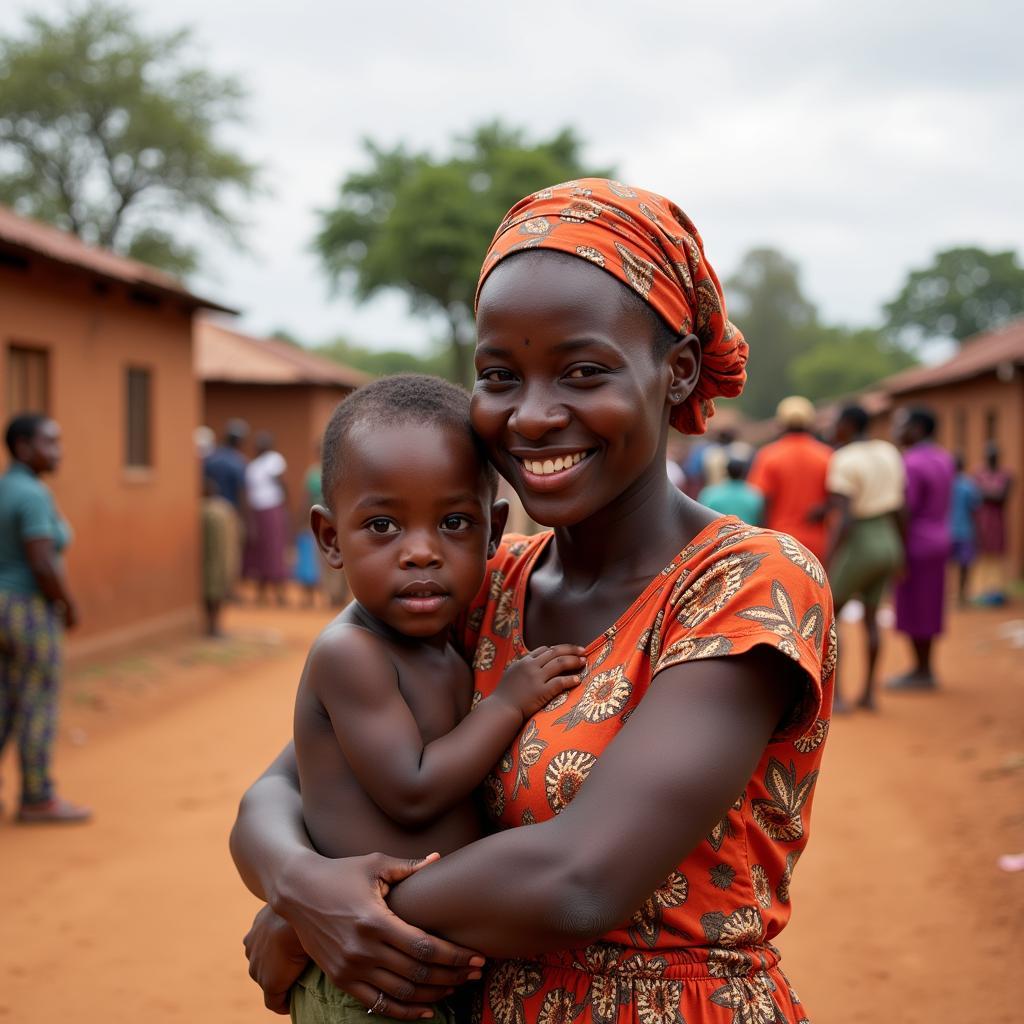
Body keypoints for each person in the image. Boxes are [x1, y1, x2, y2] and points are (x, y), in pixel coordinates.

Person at [230, 178, 835, 1024]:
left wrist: (338, 921)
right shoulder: (482, 581)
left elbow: (581, 879)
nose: (533, 415)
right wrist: (299, 888)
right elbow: (285, 783)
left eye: (583, 371)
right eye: (499, 376)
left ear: (677, 372)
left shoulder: (745, 585)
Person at [291, 374, 585, 1023]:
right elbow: (413, 789)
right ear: (331, 538)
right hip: (367, 976)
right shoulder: (351, 654)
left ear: (493, 531)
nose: (420, 552)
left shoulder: (442, 642)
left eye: (453, 522)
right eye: (382, 525)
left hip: (429, 969)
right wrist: (509, 704)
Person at [0, 413, 90, 823]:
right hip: (27, 610)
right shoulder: (32, 496)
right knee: (36, 702)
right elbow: (41, 561)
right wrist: (67, 606)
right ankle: (37, 796)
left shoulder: (6, 489)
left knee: (4, 701)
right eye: (49, 443)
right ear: (22, 447)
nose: (58, 452)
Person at [826, 404, 904, 711]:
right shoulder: (888, 451)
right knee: (872, 618)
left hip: (862, 540)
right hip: (889, 538)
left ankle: (840, 697)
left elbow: (844, 518)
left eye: (836, 422)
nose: (833, 428)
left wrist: (828, 558)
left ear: (847, 424)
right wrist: (903, 552)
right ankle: (869, 694)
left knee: (832, 616)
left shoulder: (843, 459)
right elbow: (901, 506)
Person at [887, 408, 955, 691]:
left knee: (915, 606)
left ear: (917, 428)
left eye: (902, 424)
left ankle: (922, 670)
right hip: (940, 537)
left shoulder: (910, 463)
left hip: (915, 542)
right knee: (931, 604)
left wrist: (898, 549)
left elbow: (906, 509)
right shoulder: (944, 458)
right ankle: (925, 667)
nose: (897, 430)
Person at [746, 395, 832, 560]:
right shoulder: (826, 455)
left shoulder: (768, 455)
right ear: (811, 423)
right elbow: (834, 500)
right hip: (818, 543)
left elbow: (761, 500)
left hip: (780, 543)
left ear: (780, 424)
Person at [244, 431, 290, 605]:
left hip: (272, 508)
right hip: (258, 511)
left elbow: (282, 483)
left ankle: (279, 593)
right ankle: (261, 593)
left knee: (275, 549)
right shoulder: (253, 466)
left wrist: (285, 507)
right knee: (261, 551)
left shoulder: (274, 459)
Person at [201, 473, 241, 637]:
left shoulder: (206, 510)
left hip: (210, 558)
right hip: (222, 557)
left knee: (212, 592)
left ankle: (213, 626)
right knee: (217, 591)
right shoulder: (223, 509)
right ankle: (214, 626)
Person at [973, 443, 1013, 605]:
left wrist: (984, 492)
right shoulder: (978, 473)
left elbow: (1002, 498)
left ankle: (996, 591)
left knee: (996, 554)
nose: (991, 457)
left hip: (997, 522)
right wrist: (991, 493)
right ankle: (980, 591)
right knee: (980, 554)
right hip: (981, 521)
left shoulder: (1006, 475)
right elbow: (977, 496)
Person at [949, 455, 981, 606]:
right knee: (964, 565)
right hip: (965, 530)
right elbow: (975, 508)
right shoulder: (969, 485)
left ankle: (947, 595)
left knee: (947, 566)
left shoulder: (946, 483)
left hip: (947, 530)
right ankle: (962, 596)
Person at [698, 457, 764, 524]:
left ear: (726, 471)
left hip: (718, 533)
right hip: (749, 533)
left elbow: (700, 517)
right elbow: (760, 520)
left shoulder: (710, 493)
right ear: (743, 472)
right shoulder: (754, 495)